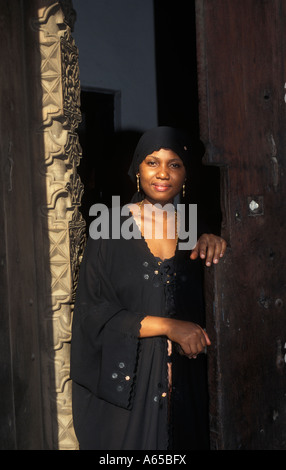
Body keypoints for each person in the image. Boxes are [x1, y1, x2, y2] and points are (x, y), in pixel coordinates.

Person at [70, 126, 227, 450]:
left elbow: (221, 303)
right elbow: (92, 313)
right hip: (129, 391)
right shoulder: (109, 228)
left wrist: (219, 246)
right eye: (152, 162)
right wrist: (170, 327)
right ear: (137, 170)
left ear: (186, 175)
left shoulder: (196, 230)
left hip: (188, 387)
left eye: (175, 164)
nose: (163, 173)